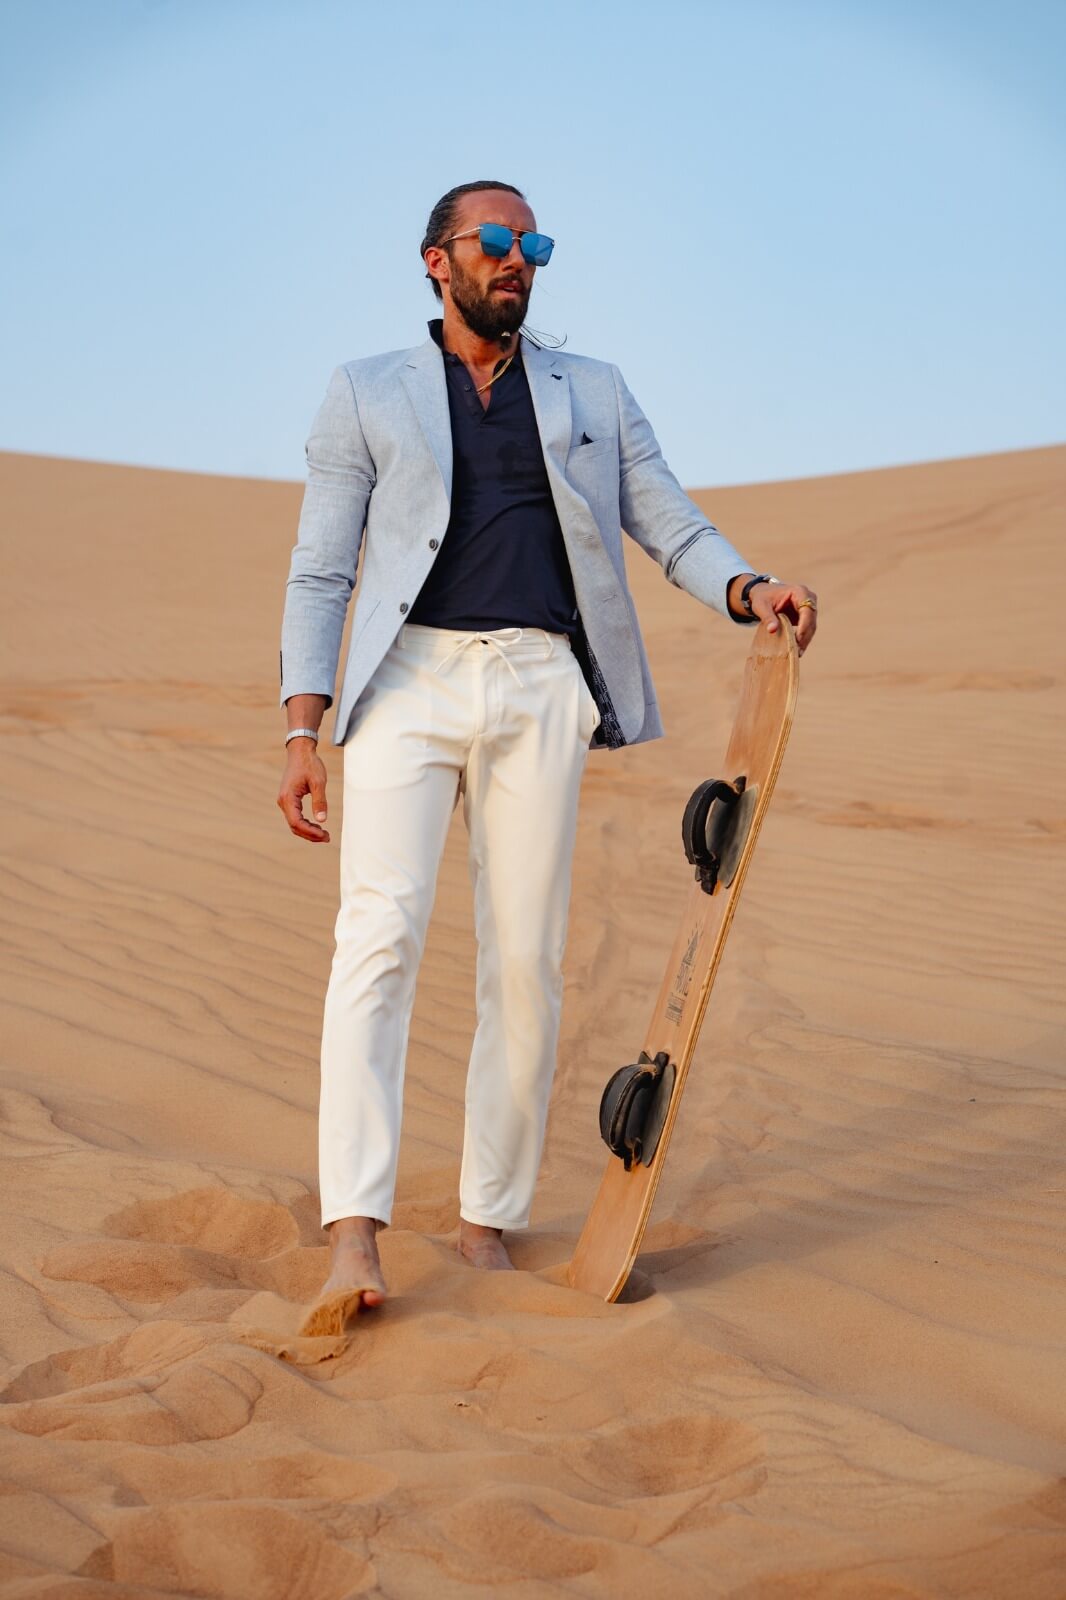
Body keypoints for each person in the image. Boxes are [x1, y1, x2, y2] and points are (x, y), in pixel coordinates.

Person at [277, 179, 818, 1334]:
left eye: (536, 244)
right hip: (404, 681)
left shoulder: (594, 391)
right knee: (378, 940)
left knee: (526, 963)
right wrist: (299, 726)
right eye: (498, 240)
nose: (519, 259)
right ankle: (353, 1231)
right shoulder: (366, 389)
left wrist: (745, 584)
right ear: (437, 260)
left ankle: (485, 1220)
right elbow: (323, 569)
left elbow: (663, 514)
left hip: (537, 682)